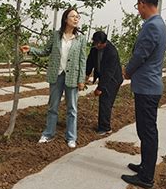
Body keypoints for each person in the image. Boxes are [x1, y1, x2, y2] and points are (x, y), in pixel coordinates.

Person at [121, 0, 166, 189]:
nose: (138, 11)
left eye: (138, 6)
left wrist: (128, 71)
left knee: (147, 131)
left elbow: (141, 54)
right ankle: (144, 166)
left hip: (147, 87)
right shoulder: (159, 24)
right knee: (146, 130)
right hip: (150, 86)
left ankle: (147, 177)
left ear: (142, 3)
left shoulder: (152, 26)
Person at [20, 8, 86, 148]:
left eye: (77, 17)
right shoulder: (56, 35)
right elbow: (45, 51)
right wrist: (31, 49)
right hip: (56, 75)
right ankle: (48, 134)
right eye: (73, 16)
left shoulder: (80, 39)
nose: (76, 19)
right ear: (65, 19)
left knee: (72, 109)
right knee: (52, 107)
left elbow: (82, 60)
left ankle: (71, 137)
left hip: (72, 76)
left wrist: (81, 79)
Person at [85, 31, 123, 135]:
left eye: (99, 44)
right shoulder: (94, 48)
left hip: (113, 79)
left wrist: (100, 88)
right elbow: (90, 61)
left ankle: (105, 128)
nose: (97, 45)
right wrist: (86, 74)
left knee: (105, 100)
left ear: (104, 42)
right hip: (104, 76)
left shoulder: (111, 52)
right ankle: (103, 125)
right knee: (104, 101)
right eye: (95, 43)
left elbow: (108, 73)